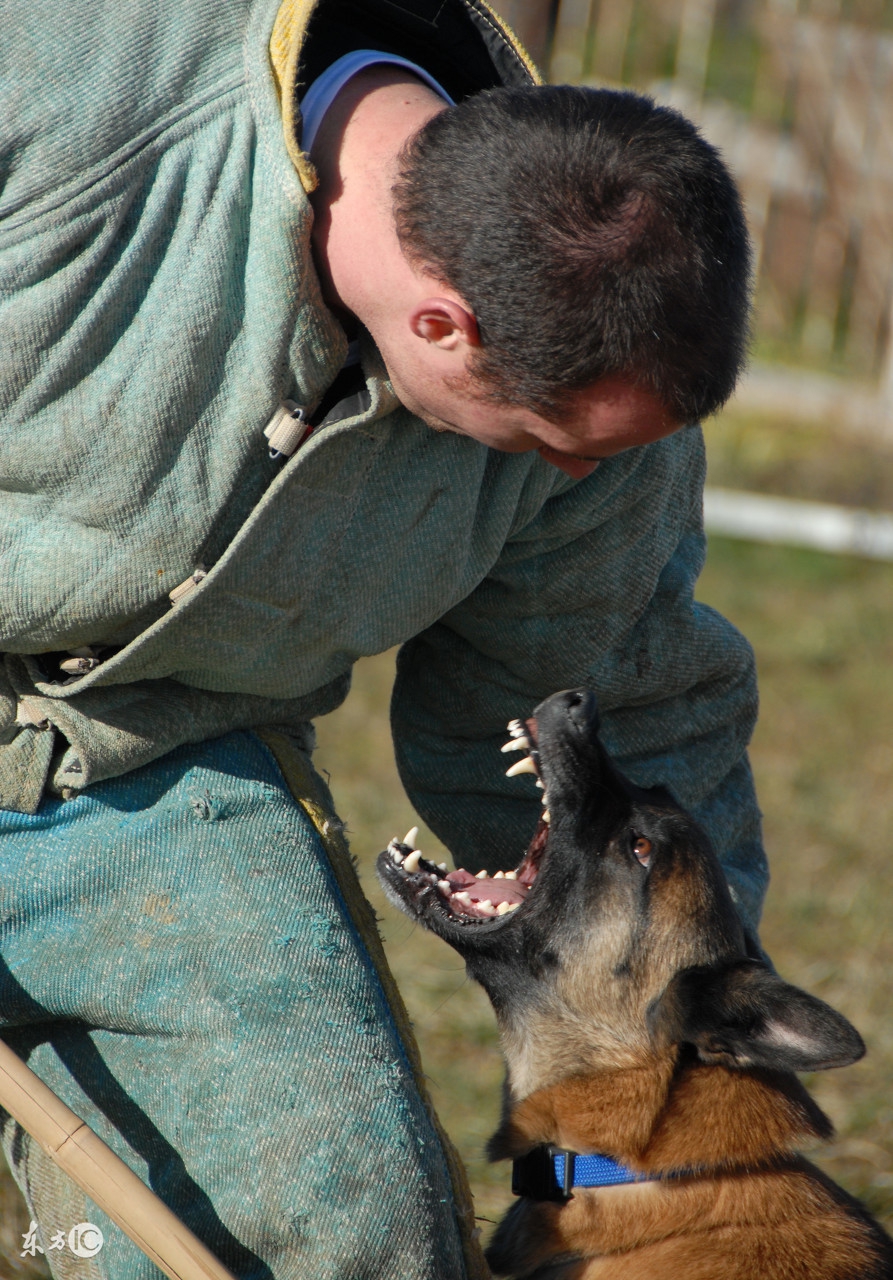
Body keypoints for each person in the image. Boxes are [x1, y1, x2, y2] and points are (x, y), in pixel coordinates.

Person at [0, 0, 762, 1276]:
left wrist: (692, 1072)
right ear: (442, 327)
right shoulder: (65, 86)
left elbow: (596, 722)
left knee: (347, 1238)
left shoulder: (600, 409)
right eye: (551, 449)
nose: (581, 483)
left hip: (146, 765)